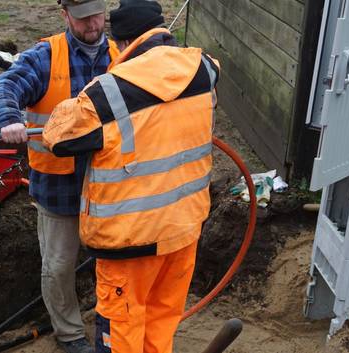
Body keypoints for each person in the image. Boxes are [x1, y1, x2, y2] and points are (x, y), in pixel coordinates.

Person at [42, 1, 220, 352]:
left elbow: (57, 138)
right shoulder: (204, 68)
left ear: (122, 44)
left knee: (122, 329)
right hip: (183, 231)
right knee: (161, 321)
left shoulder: (107, 93)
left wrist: (78, 98)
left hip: (130, 241)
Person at [0, 1, 119, 352]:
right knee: (59, 266)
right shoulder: (46, 57)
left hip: (111, 188)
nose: (92, 24)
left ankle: (113, 325)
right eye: (81, 18)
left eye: (96, 14)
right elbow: (6, 86)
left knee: (115, 262)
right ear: (65, 16)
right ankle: (70, 333)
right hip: (60, 189)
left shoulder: (123, 55)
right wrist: (8, 117)